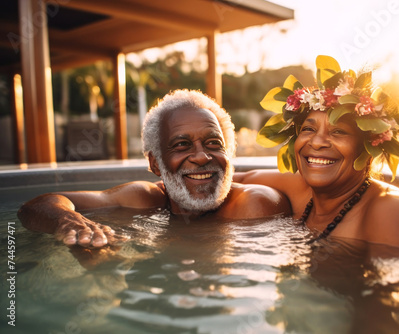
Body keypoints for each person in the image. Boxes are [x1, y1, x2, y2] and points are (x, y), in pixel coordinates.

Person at [18, 90, 291, 248]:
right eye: (182, 145)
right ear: (155, 164)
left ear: (229, 154)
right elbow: (37, 206)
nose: (200, 156)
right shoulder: (143, 199)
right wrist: (67, 221)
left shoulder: (253, 206)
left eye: (213, 143)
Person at [234, 55, 399, 247]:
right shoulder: (300, 191)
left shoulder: (393, 214)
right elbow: (238, 179)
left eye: (339, 131)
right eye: (308, 129)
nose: (317, 142)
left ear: (370, 146)